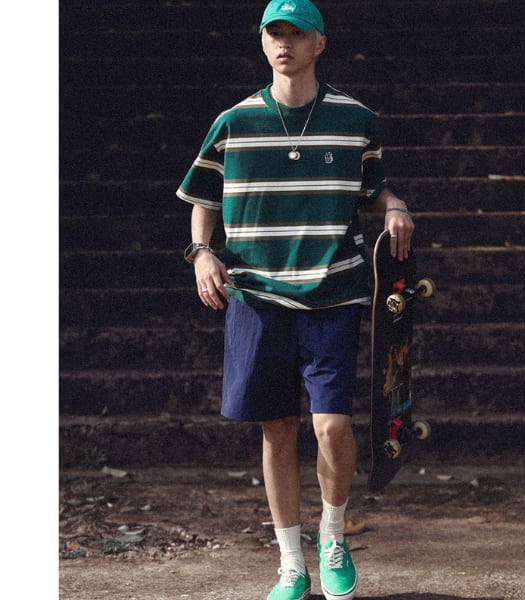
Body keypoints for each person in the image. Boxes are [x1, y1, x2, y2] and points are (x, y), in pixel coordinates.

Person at [176, 1, 414, 598]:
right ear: (263, 43)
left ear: (319, 43)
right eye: (274, 34)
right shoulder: (233, 122)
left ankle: (332, 539)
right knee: (277, 428)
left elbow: (375, 188)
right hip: (256, 296)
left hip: (334, 292)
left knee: (331, 427)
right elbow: (204, 196)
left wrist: (396, 206)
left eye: (296, 34)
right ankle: (290, 563)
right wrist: (202, 253)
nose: (284, 43)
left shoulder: (356, 119)